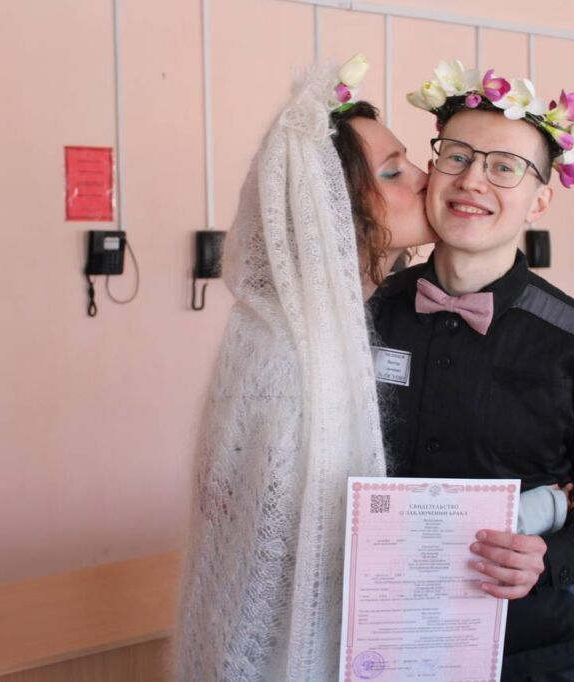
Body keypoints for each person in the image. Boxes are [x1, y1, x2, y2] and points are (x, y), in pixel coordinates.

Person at [370, 60, 574, 680]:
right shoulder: (365, 314)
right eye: (456, 156)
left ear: (540, 199)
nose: (472, 179)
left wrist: (548, 558)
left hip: (534, 649)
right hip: (381, 638)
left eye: (505, 167)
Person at [173, 56, 432, 681]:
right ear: (330, 208)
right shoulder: (289, 363)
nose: (425, 178)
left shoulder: (341, 328)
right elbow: (272, 568)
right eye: (393, 171)